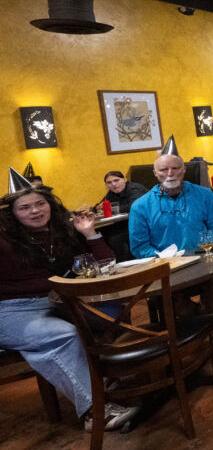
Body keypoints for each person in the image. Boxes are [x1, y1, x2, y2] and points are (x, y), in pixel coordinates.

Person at [0, 169, 137, 431]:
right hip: (12, 311)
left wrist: (89, 233)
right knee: (63, 334)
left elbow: (106, 266)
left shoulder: (61, 231)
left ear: (50, 205)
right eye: (24, 207)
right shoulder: (3, 238)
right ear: (11, 213)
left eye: (40, 203)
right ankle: (97, 412)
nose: (35, 211)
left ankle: (110, 380)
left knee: (113, 312)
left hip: (60, 302)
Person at [129, 147, 213, 313]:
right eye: (163, 169)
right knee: (164, 297)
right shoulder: (140, 206)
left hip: (201, 262)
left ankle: (207, 315)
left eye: (175, 168)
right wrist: (163, 258)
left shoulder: (204, 195)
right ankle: (206, 319)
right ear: (155, 173)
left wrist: (208, 242)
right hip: (164, 269)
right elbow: (139, 246)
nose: (170, 173)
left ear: (184, 170)